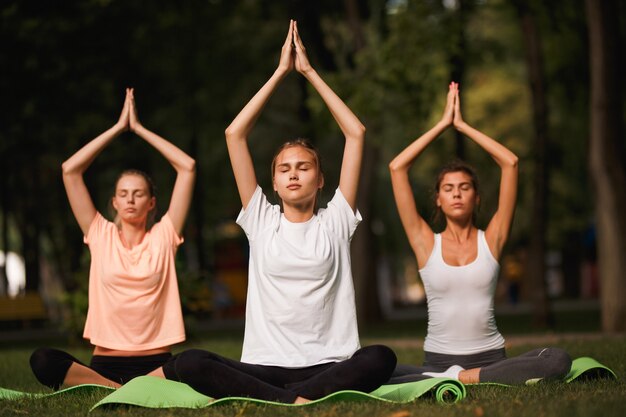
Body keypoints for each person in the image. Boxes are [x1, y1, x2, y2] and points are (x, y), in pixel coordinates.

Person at [170, 20, 396, 404]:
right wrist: (279, 73)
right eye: (284, 169)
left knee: (380, 358)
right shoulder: (261, 220)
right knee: (189, 362)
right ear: (273, 183)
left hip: (329, 362)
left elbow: (355, 133)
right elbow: (234, 134)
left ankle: (280, 398)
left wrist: (308, 72)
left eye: (303, 167)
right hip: (265, 364)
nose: (293, 174)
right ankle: (298, 398)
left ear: (321, 179)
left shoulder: (337, 221)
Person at [388, 82, 571, 385]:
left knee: (557, 360)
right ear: (438, 199)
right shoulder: (424, 242)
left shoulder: (493, 239)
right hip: (437, 362)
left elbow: (510, 163)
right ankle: (465, 377)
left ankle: (464, 377)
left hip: (490, 359)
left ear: (476, 197)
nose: (456, 194)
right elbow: (397, 168)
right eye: (448, 189)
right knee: (374, 364)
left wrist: (463, 126)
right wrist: (442, 124)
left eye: (465, 187)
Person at [30, 88, 196, 389]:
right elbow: (70, 170)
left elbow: (187, 167)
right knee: (43, 359)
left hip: (157, 361)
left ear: (151, 203)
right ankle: (116, 387)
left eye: (138, 193)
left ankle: (135, 385)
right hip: (106, 362)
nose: (130, 199)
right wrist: (118, 128)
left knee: (195, 363)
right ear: (114, 203)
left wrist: (141, 129)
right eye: (123, 194)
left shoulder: (164, 236)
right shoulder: (100, 234)